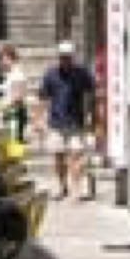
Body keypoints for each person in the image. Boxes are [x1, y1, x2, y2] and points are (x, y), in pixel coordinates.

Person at [38, 40, 94, 200]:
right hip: (56, 122)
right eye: (63, 57)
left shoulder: (82, 73)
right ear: (58, 57)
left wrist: (91, 115)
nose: (65, 60)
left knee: (76, 155)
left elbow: (91, 93)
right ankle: (62, 186)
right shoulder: (50, 74)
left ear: (73, 57)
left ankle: (76, 188)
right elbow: (43, 97)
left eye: (68, 57)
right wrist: (40, 120)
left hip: (76, 122)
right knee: (58, 157)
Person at [0, 41, 29, 144]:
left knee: (14, 146)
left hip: (15, 115)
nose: (1, 61)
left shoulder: (17, 74)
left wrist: (1, 105)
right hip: (11, 114)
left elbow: (18, 96)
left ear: (9, 57)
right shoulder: (10, 74)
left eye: (2, 58)